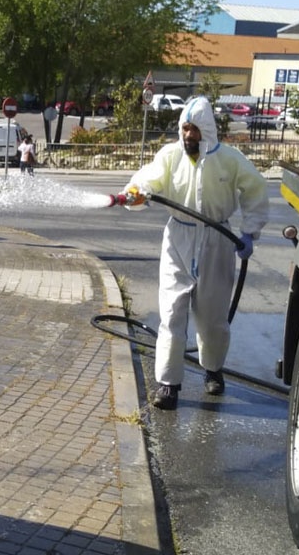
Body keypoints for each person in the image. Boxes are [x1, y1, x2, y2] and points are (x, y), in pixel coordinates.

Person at [119, 96, 269, 410]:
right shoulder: (170, 155)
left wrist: (248, 232)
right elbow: (149, 178)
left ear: (207, 130)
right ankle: (168, 383)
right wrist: (136, 192)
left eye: (195, 129)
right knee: (172, 311)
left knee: (213, 317)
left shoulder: (229, 159)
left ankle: (213, 370)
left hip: (218, 239)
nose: (189, 135)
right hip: (179, 238)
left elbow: (255, 189)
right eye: (185, 128)